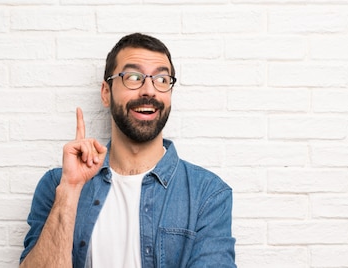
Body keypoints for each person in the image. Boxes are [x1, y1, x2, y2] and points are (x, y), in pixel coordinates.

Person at [19, 33, 236, 268]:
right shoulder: (57, 185)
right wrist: (69, 191)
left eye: (162, 79)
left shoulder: (208, 194)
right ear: (106, 92)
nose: (149, 90)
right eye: (133, 77)